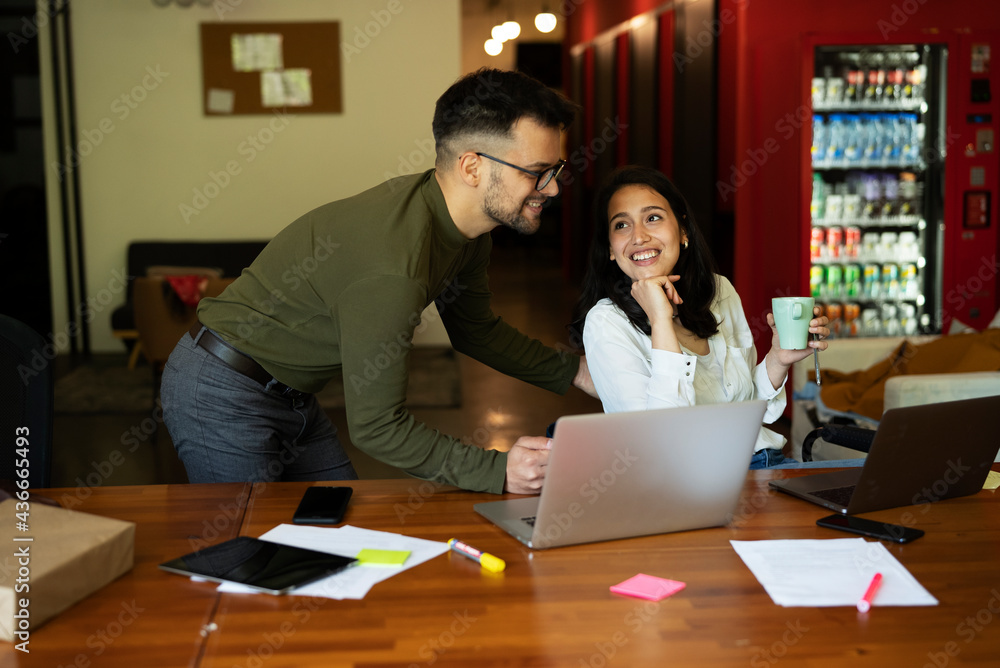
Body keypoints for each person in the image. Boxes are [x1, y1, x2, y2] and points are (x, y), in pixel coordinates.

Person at [160, 68, 596, 494]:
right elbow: (378, 427)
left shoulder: (466, 232)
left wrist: (577, 371)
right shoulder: (393, 267)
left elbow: (476, 330)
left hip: (290, 395)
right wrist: (499, 470)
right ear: (472, 167)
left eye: (553, 170)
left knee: (335, 531)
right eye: (535, 171)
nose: (552, 188)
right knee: (244, 549)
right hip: (221, 390)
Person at [572, 166, 829, 467]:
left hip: (765, 462)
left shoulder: (718, 291)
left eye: (652, 218)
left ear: (683, 230)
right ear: (611, 250)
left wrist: (778, 359)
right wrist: (660, 320)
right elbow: (660, 443)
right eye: (621, 225)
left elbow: (745, 407)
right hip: (693, 482)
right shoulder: (606, 323)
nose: (638, 237)